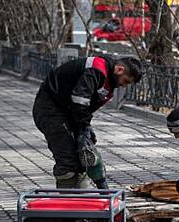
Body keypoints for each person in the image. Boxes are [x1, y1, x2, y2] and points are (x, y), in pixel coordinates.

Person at [32, 56, 142, 188]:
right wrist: (84, 127)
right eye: (125, 81)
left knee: (82, 154)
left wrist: (84, 129)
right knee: (67, 159)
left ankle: (81, 194)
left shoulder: (108, 81)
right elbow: (79, 101)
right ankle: (69, 201)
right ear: (119, 69)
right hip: (50, 109)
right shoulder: (97, 69)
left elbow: (84, 106)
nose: (123, 85)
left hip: (67, 111)